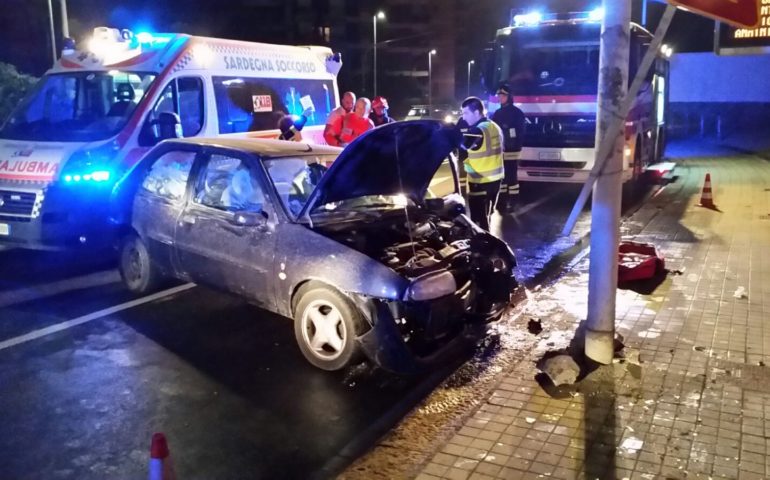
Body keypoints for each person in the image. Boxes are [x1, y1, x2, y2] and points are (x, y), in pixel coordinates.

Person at [459, 96, 504, 231]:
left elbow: (462, 146)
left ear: (477, 112)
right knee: (488, 215)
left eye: (466, 113)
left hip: (480, 181)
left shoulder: (477, 131)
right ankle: (488, 243)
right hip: (496, 179)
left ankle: (482, 248)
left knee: (478, 222)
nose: (463, 117)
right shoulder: (494, 126)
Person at [491, 83, 526, 213]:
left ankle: (513, 201)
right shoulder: (497, 113)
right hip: (501, 150)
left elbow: (521, 132)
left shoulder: (517, 113)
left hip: (512, 150)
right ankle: (502, 201)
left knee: (511, 176)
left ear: (509, 96)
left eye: (503, 95)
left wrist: (515, 143)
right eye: (499, 95)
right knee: (502, 177)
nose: (500, 97)